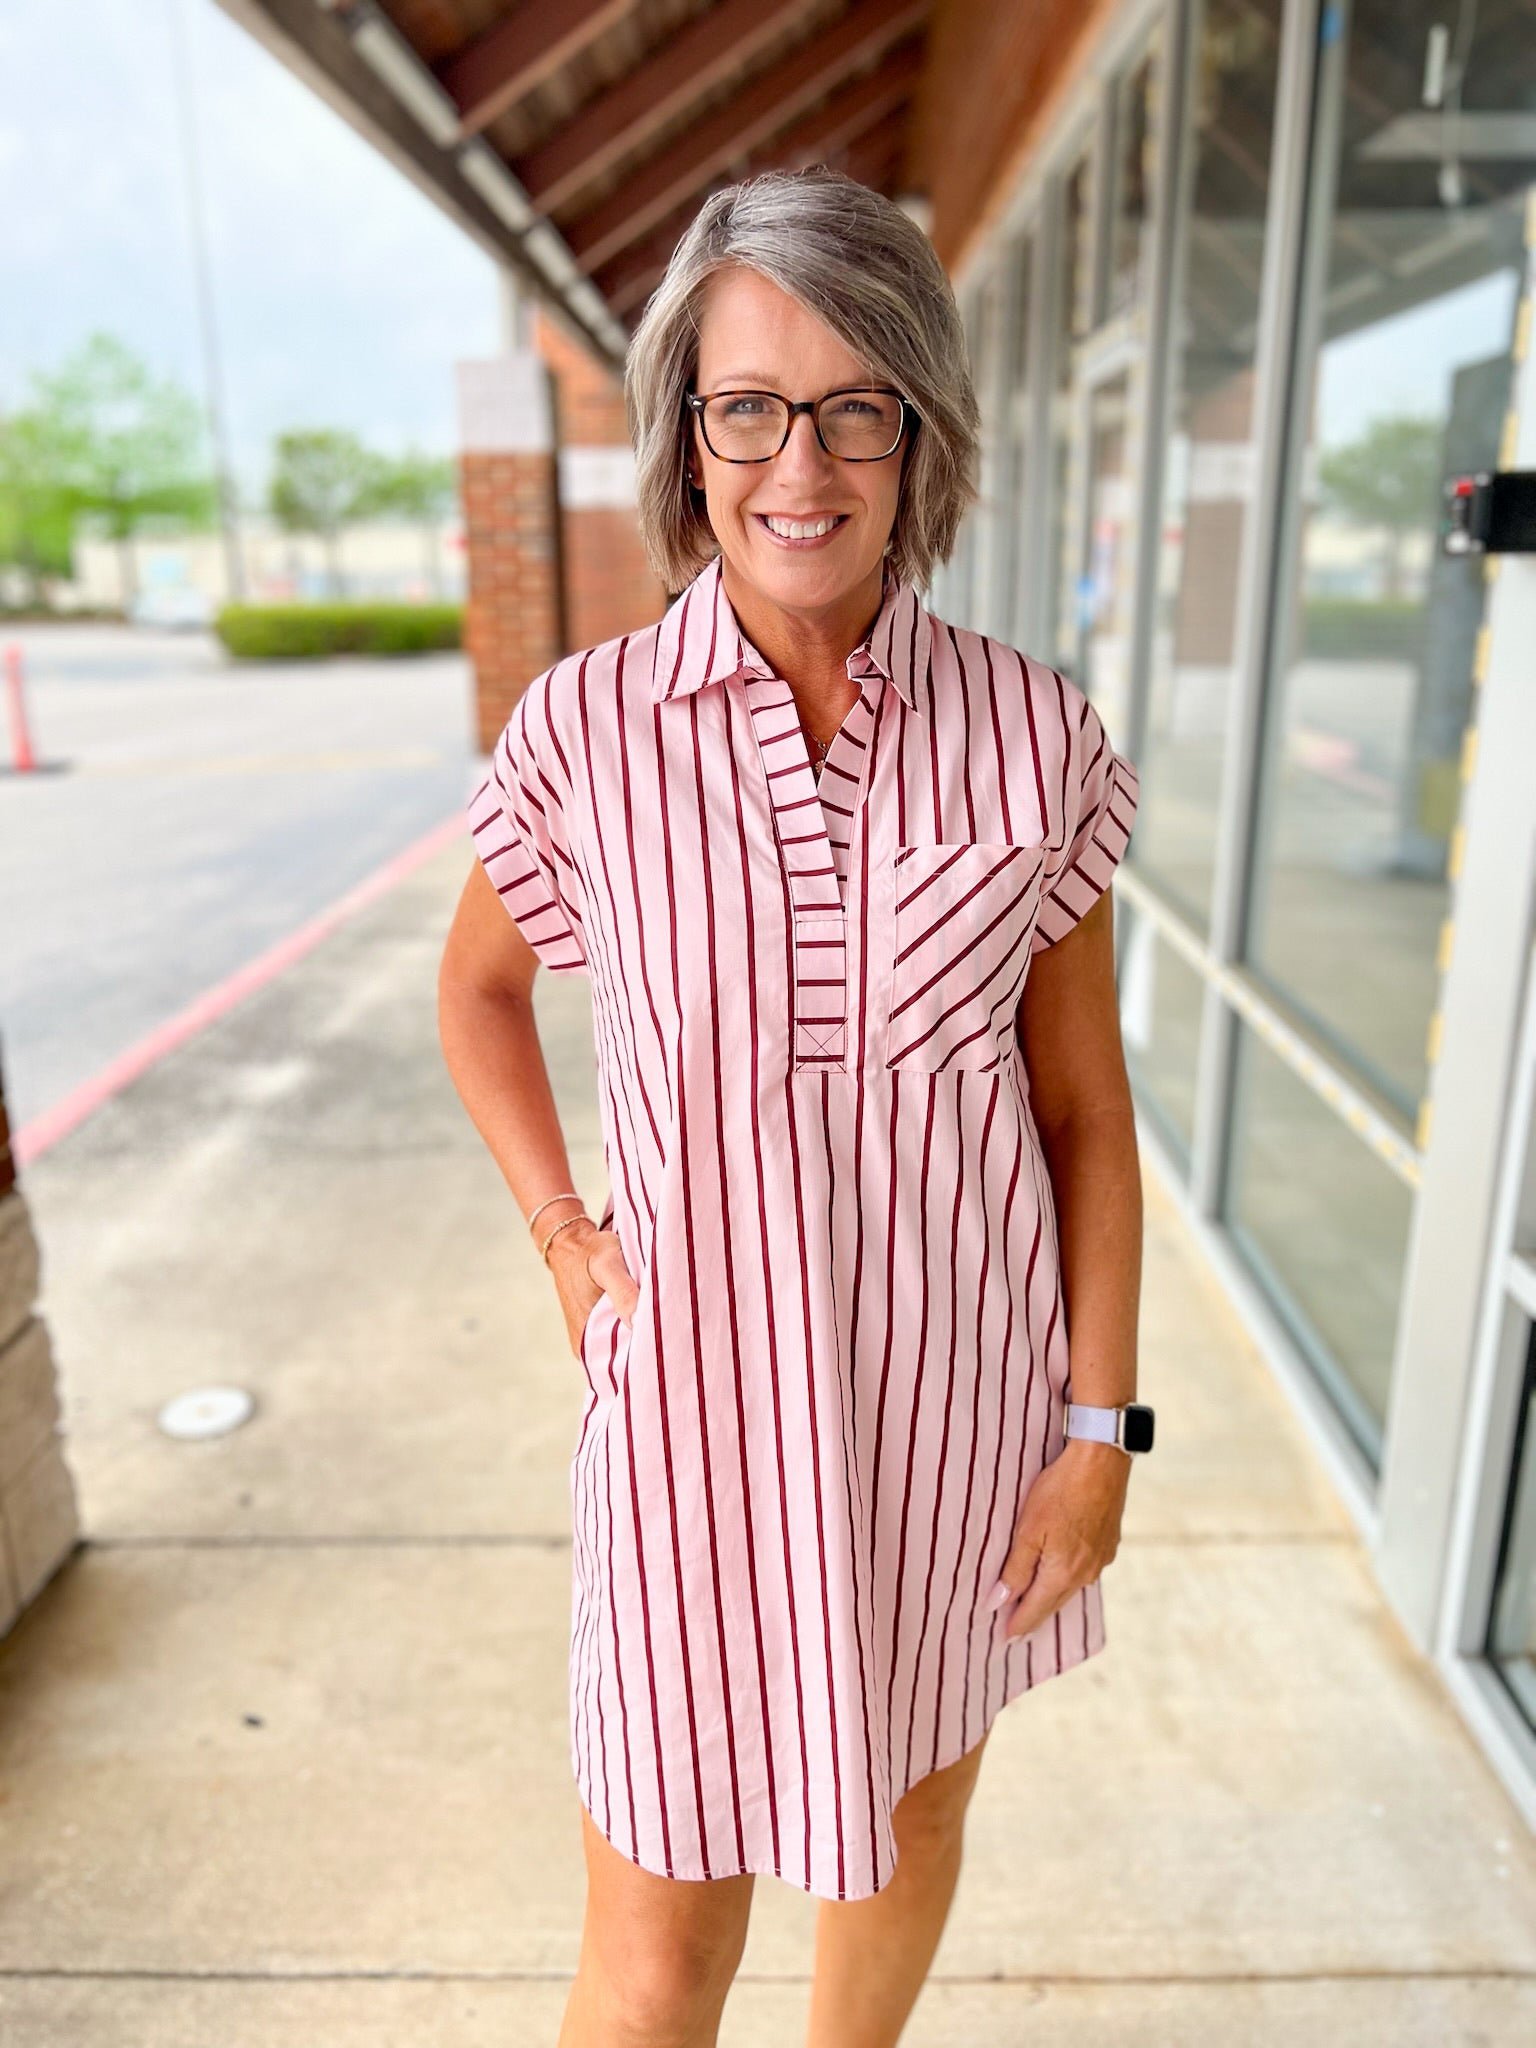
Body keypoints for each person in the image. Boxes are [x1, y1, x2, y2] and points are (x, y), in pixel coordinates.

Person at [438, 167, 1146, 2048]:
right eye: (748, 406)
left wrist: (1100, 1432)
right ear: (690, 431)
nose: (799, 463)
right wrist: (563, 1236)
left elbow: (1083, 1112)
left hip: (953, 1435)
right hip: (689, 1445)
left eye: (854, 405)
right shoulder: (587, 734)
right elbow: (481, 993)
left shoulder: (1035, 734)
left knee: (910, 1820)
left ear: (921, 426)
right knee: (659, 1953)